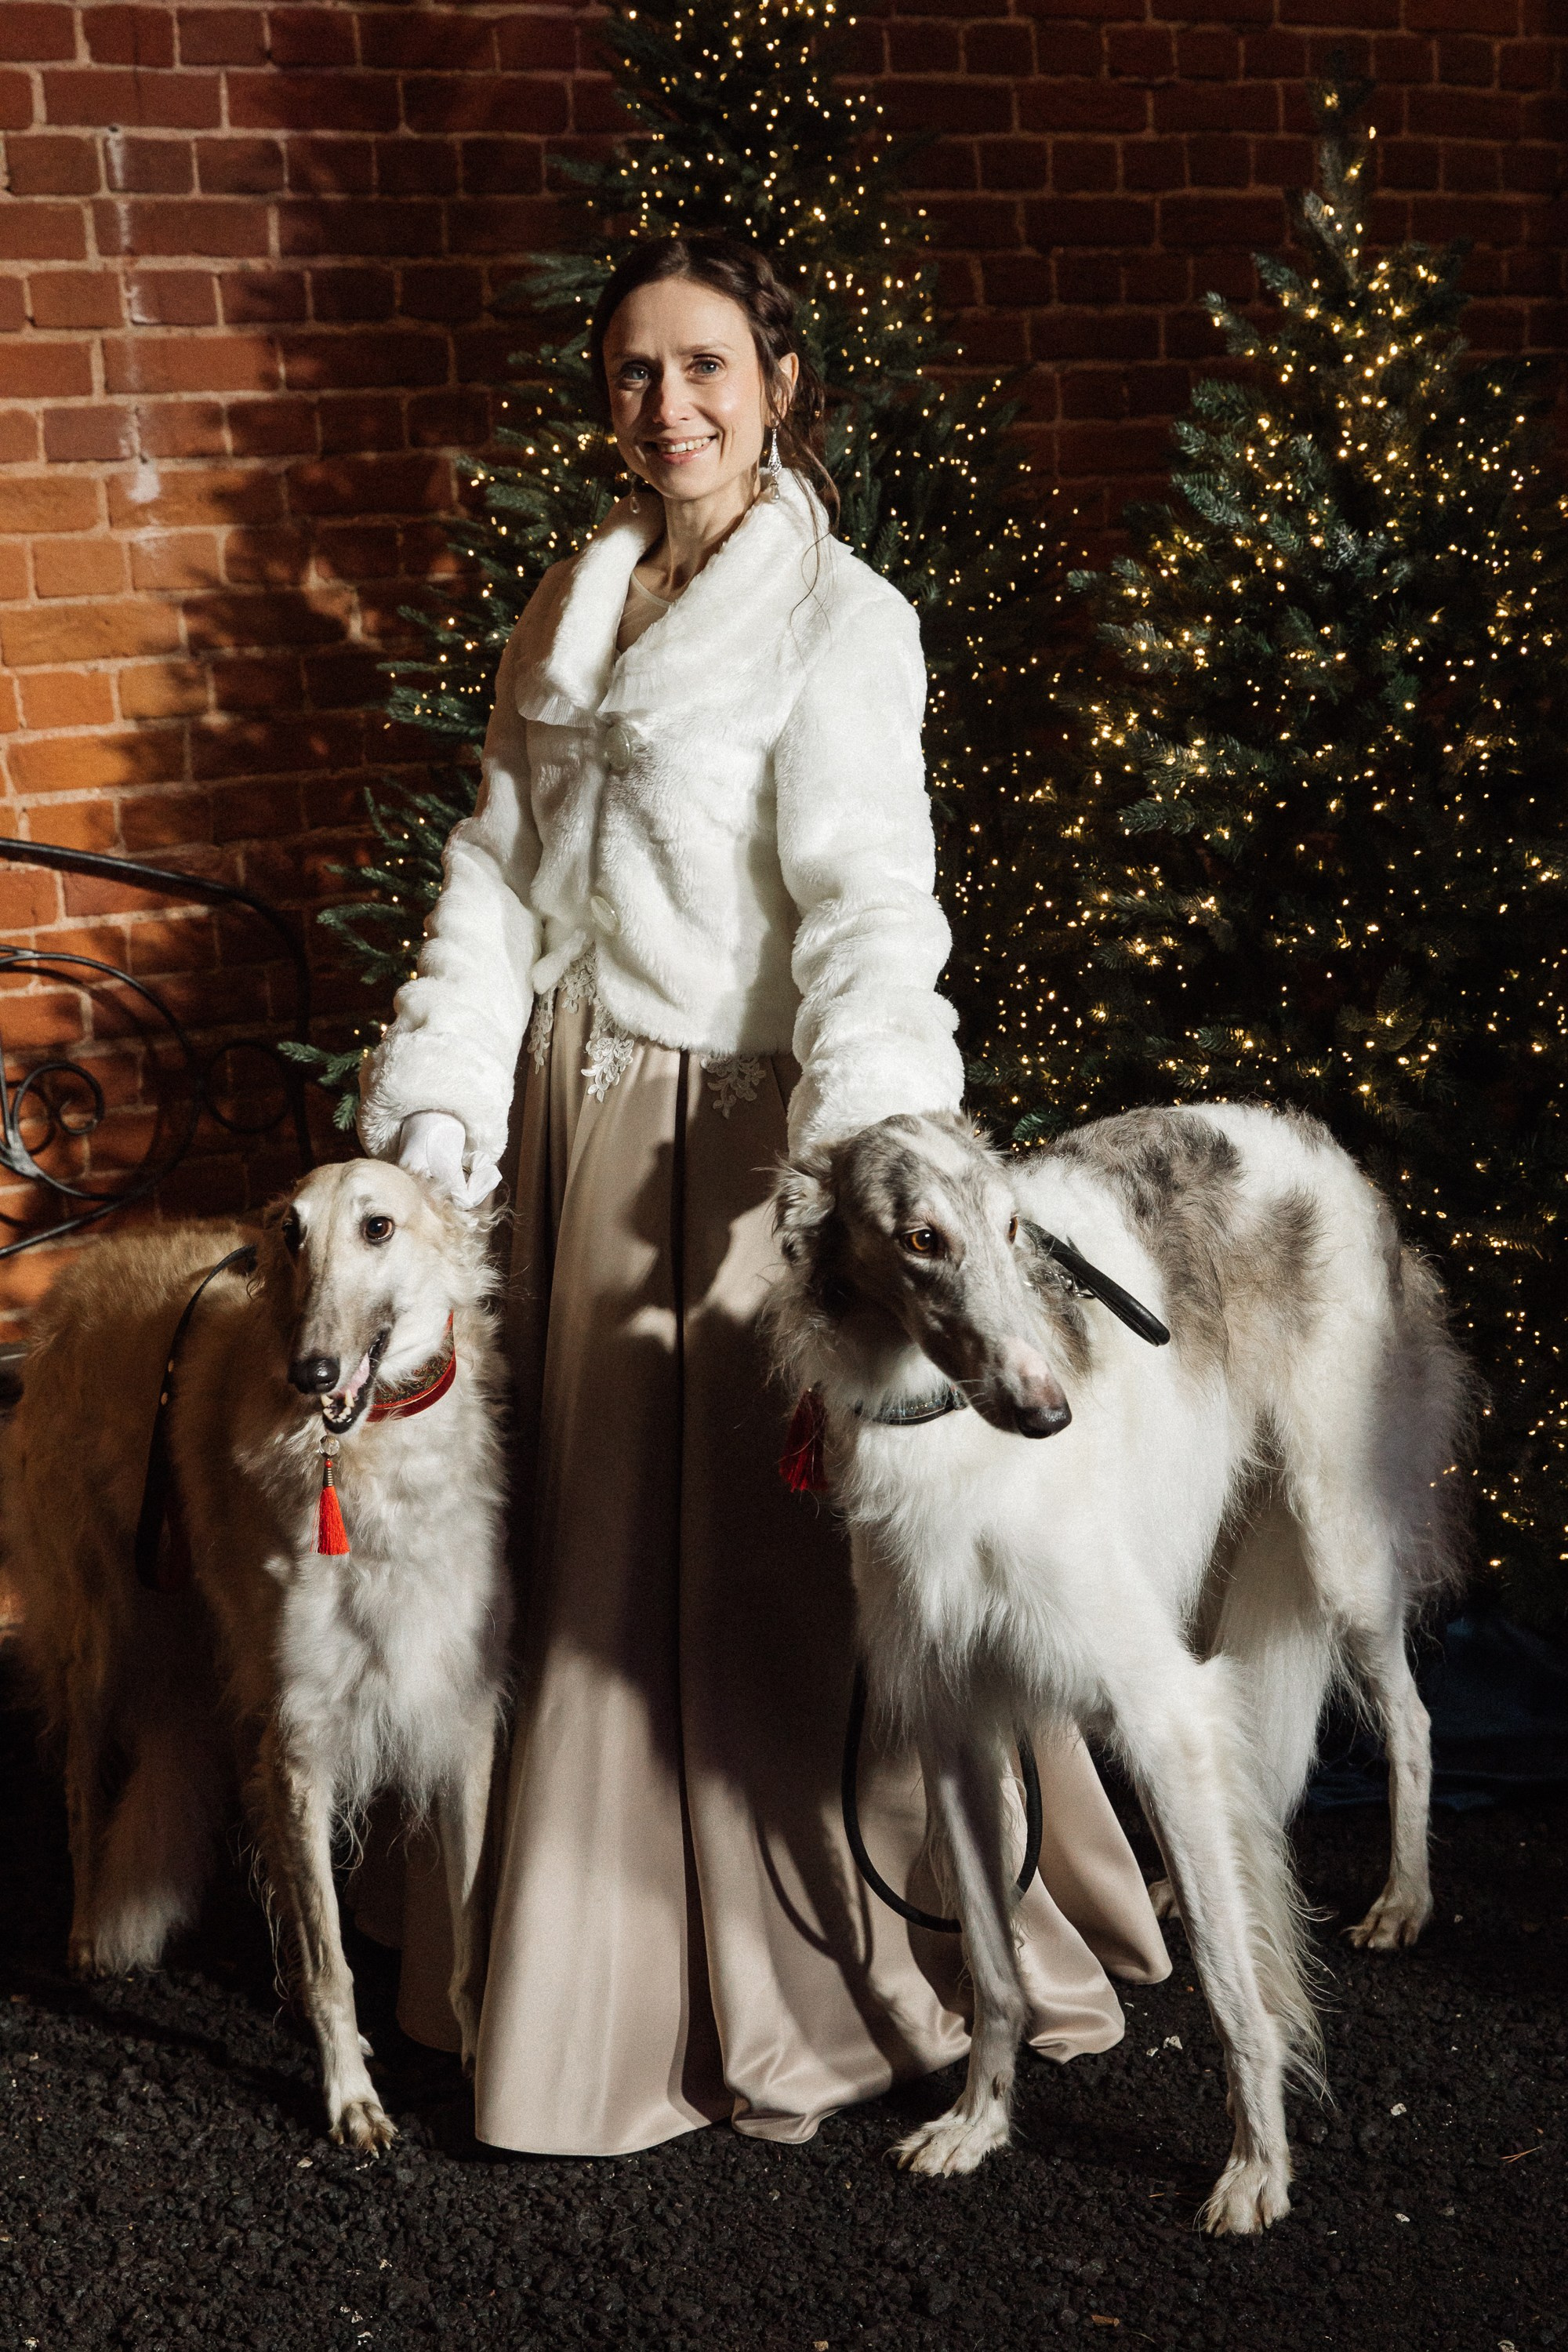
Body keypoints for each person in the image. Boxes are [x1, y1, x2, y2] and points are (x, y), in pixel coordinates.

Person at [357, 232, 1168, 2157]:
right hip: (565, 1120)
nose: (671, 408)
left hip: (746, 1139)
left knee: (761, 1561)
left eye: (707, 368)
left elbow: (874, 908)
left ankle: (817, 1957)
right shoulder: (570, 600)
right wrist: (438, 1116)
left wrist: (874, 1158)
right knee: (575, 1548)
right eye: (637, 373)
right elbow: (491, 880)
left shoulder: (842, 619)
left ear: (778, 382)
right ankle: (564, 1956)